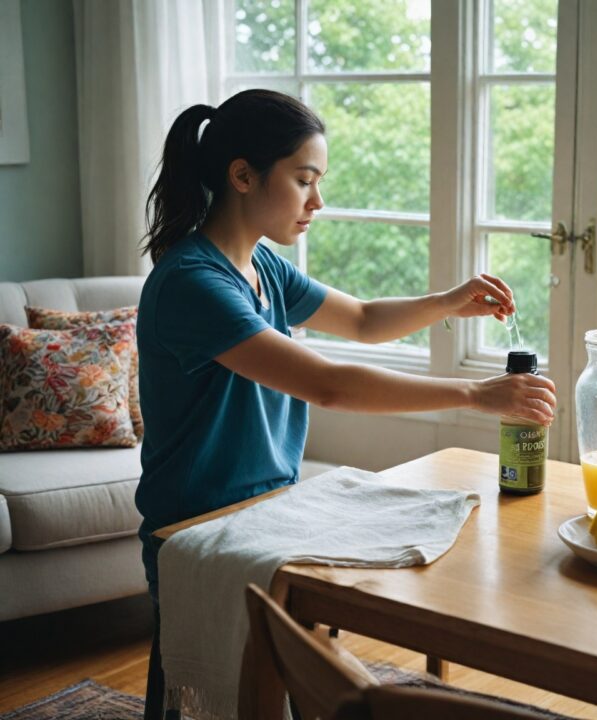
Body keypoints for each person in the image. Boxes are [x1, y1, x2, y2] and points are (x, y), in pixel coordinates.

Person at [134, 89, 556, 719]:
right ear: (242, 176)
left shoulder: (264, 269)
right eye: (304, 180)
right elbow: (328, 385)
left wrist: (449, 299)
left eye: (319, 181)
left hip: (270, 507)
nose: (317, 202)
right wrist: (477, 393)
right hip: (197, 526)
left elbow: (359, 319)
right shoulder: (194, 283)